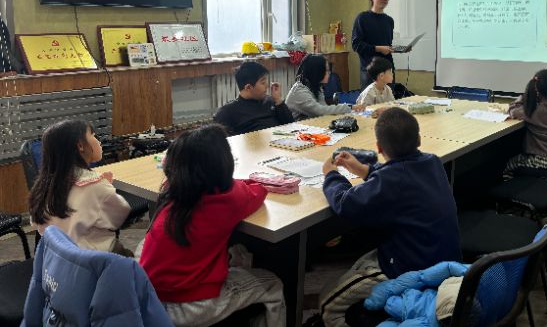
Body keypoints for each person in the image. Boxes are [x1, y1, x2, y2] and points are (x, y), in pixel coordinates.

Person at [318, 108, 461, 327]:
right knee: (359, 265)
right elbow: (396, 178)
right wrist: (365, 170)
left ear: (379, 148)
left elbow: (345, 203)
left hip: (412, 269)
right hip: (442, 260)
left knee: (328, 304)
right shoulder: (432, 162)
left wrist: (331, 175)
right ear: (419, 140)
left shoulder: (392, 179)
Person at [139, 124, 285, 327]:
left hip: (149, 299)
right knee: (273, 284)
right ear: (224, 165)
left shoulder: (170, 192)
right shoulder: (228, 200)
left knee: (235, 253)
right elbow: (259, 190)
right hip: (191, 305)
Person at [27, 119, 132, 254]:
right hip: (94, 259)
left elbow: (36, 223)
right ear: (80, 146)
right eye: (93, 135)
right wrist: (106, 188)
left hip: (56, 260)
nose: (98, 141)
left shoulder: (42, 187)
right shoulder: (96, 185)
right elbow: (120, 215)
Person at [503, 68, 547, 176]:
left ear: (536, 88)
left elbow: (512, 111)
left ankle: (512, 183)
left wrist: (522, 97)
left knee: (510, 164)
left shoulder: (533, 111)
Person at [214, 61, 294, 135]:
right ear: (248, 87)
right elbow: (220, 141)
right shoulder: (228, 112)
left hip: (279, 142)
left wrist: (278, 100)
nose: (267, 86)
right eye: (263, 83)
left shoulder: (271, 101)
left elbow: (292, 125)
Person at [285, 54, 364, 120]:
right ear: (316, 72)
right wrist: (349, 107)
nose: (329, 73)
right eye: (326, 70)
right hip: (294, 130)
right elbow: (320, 111)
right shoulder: (300, 92)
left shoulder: (315, 85)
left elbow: (324, 107)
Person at [352, 0, 394, 88]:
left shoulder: (389, 20)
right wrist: (378, 48)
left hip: (387, 70)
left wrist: (394, 49)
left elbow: (386, 44)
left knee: (389, 98)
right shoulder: (362, 18)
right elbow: (356, 45)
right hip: (369, 71)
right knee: (370, 98)